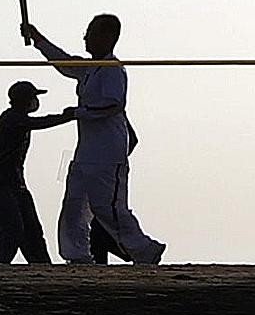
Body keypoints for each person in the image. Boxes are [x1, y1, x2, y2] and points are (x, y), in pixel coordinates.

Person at [21, 15, 165, 264]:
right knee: (74, 204)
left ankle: (144, 249)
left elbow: (112, 104)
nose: (85, 37)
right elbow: (64, 63)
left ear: (107, 37)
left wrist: (77, 113)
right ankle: (77, 255)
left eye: (90, 32)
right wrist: (38, 39)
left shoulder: (112, 69)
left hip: (107, 153)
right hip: (86, 152)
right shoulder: (90, 68)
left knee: (107, 207)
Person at [0, 81, 76, 263]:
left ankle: (43, 270)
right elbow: (39, 123)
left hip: (15, 184)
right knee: (10, 233)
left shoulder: (17, 119)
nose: (35, 101)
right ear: (25, 100)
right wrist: (67, 117)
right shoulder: (12, 118)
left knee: (32, 233)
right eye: (33, 97)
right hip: (0, 185)